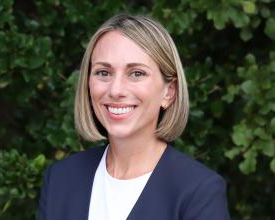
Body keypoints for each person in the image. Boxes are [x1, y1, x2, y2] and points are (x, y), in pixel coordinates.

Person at [39, 14, 230, 220]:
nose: (116, 90)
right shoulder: (60, 178)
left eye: (136, 73)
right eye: (103, 72)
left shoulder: (198, 191)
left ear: (169, 92)